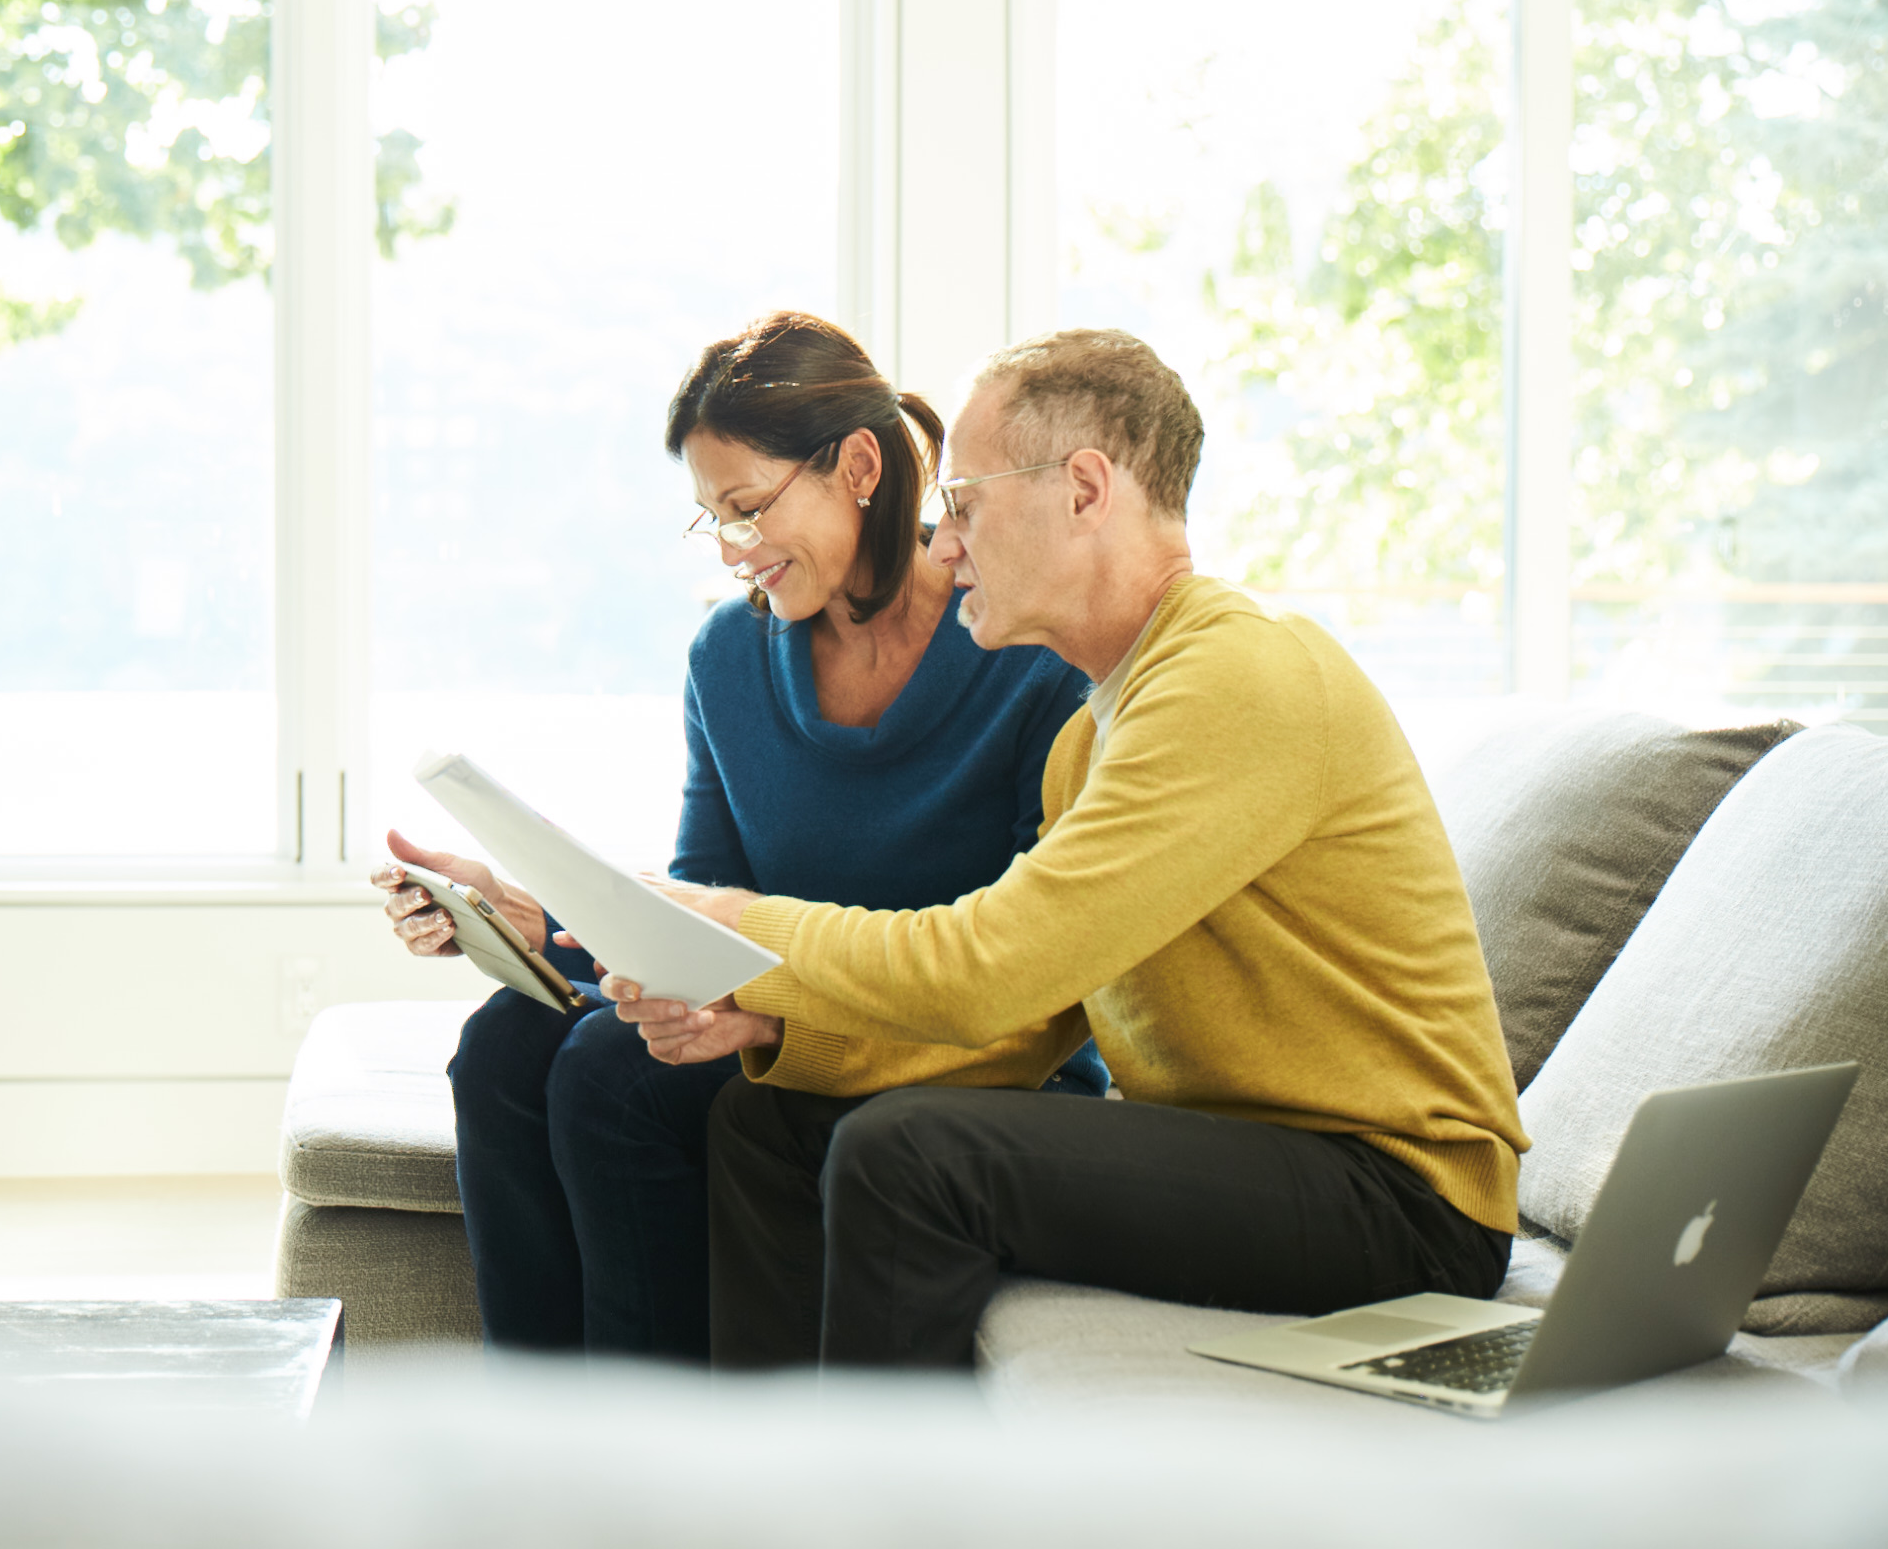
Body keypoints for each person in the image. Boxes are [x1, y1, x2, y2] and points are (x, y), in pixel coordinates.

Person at [611, 327, 1529, 1369]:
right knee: (771, 1123)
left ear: (1084, 490)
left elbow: (985, 972)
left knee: (907, 1154)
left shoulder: (1232, 677)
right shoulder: (1092, 734)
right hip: (1258, 1154)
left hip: (1399, 1191)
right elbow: (1027, 1027)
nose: (942, 542)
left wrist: (737, 925)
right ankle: (766, 1496)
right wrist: (777, 1038)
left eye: (965, 505)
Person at [371, 311, 1100, 1363]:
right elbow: (701, 909)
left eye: (749, 506)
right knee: (500, 1046)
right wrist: (535, 918)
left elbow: (1024, 974)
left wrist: (758, 1007)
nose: (731, 548)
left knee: (610, 1075)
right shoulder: (727, 657)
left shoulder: (1022, 658)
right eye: (709, 518)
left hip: (942, 1038)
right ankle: (538, 1449)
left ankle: (661, 1462)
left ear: (857, 465)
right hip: (767, 1005)